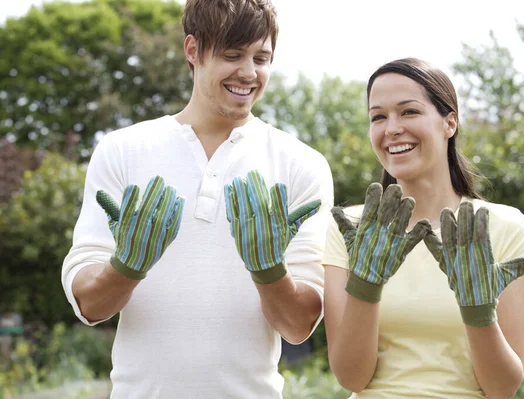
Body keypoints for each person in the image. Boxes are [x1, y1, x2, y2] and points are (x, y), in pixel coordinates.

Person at [61, 0, 334, 398]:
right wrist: (127, 267)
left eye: (261, 57)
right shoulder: (122, 150)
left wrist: (268, 270)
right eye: (232, 55)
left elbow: (298, 326)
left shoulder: (301, 165)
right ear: (192, 50)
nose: (248, 72)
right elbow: (89, 305)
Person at [322, 57, 524, 399]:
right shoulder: (353, 230)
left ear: (449, 122)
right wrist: (366, 286)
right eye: (378, 117)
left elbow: (502, 389)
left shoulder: (503, 229)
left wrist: (478, 311)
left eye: (408, 111)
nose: (391, 128)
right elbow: (351, 378)